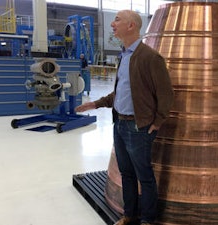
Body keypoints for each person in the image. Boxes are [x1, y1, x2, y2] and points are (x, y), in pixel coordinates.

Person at [75, 10, 174, 225]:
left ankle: (148, 220)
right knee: (126, 174)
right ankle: (129, 215)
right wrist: (95, 104)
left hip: (139, 128)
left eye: (117, 20)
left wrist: (156, 123)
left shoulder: (150, 57)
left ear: (131, 26)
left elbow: (166, 95)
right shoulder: (124, 56)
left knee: (144, 177)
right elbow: (120, 93)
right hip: (119, 124)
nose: (112, 24)